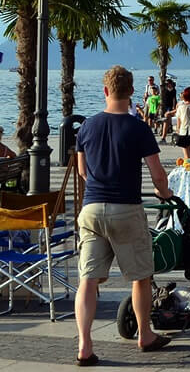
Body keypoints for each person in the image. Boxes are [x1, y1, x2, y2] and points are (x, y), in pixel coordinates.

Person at [74, 66, 174, 362]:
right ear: (131, 93)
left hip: (91, 209)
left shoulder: (87, 127)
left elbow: (83, 172)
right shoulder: (138, 127)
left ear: (105, 91)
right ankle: (145, 334)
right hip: (126, 209)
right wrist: (165, 194)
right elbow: (157, 174)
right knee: (141, 276)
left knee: (88, 280)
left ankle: (84, 345)